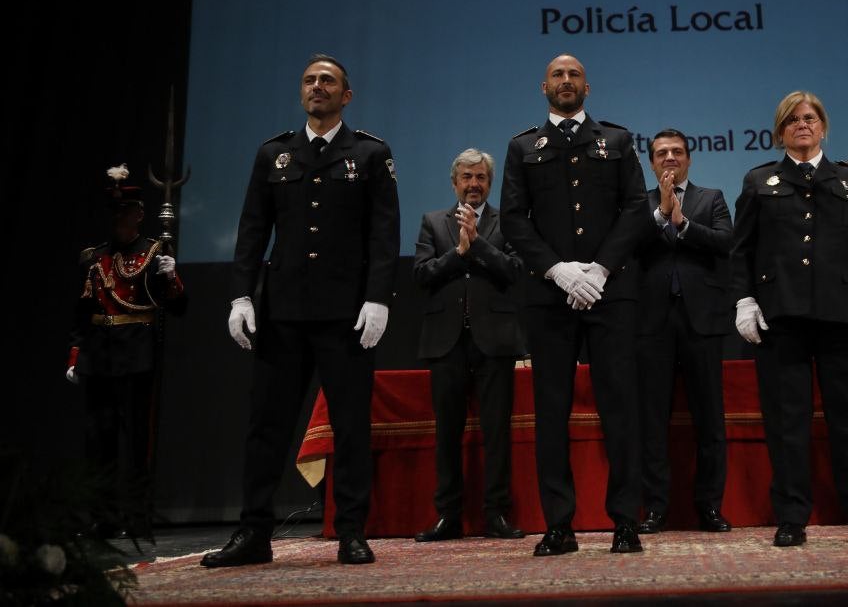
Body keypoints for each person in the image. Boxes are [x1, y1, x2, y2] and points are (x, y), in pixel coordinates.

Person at [202, 54, 400, 567]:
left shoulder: (371, 154)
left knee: (352, 425)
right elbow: (252, 230)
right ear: (301, 92)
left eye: (328, 81)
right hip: (284, 314)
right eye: (310, 80)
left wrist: (379, 297)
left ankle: (352, 531)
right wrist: (241, 295)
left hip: (346, 314)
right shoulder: (276, 155)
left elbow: (383, 235)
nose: (318, 87)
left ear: (346, 96)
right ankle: (254, 534)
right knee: (266, 426)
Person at [731, 91, 848, 547]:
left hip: (844, 314)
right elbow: (741, 250)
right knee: (787, 422)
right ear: (780, 130)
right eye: (792, 120)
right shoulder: (759, 181)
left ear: (822, 126)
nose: (802, 125)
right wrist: (745, 300)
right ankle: (791, 517)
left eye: (809, 118)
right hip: (781, 316)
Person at [499, 53, 649, 556]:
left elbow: (636, 208)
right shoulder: (523, 146)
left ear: (589, 85)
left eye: (575, 75)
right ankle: (558, 525)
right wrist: (557, 270)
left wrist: (600, 269)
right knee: (551, 411)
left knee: (620, 409)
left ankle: (626, 521)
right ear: (544, 85)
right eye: (558, 75)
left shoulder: (618, 140)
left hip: (612, 291)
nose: (566, 81)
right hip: (549, 295)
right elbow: (514, 219)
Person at [413, 148, 527, 541]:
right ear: (454, 182)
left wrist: (477, 245)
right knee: (447, 434)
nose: (474, 184)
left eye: (480, 177)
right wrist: (459, 253)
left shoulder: (507, 222)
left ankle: (496, 514)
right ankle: (448, 516)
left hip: (494, 342)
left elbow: (515, 271)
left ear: (490, 183)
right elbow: (422, 275)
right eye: (467, 177)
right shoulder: (432, 222)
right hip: (446, 342)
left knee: (497, 433)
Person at [66, 165, 186, 539]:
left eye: (126, 211)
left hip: (137, 354)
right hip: (100, 355)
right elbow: (82, 313)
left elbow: (177, 307)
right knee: (98, 441)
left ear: (138, 214)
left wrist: (170, 276)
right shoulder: (93, 257)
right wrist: (75, 355)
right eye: (114, 211)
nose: (119, 218)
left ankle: (137, 517)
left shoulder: (153, 253)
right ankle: (102, 517)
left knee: (137, 440)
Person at [635, 129, 734, 534]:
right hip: (651, 323)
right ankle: (655, 509)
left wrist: (684, 224)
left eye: (677, 152)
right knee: (651, 421)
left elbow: (727, 242)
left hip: (702, 321)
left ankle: (709, 507)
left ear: (689, 159)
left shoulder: (711, 198)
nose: (670, 158)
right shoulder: (637, 204)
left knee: (710, 420)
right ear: (651, 161)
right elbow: (630, 247)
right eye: (662, 153)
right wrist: (660, 214)